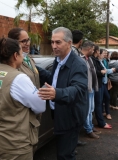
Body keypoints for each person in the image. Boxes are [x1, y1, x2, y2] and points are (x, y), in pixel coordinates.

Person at [0, 36, 46, 160]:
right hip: (14, 143)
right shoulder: (19, 78)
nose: (23, 55)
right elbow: (40, 107)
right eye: (21, 52)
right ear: (15, 56)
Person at [37, 27, 88, 160]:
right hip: (60, 114)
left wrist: (57, 93)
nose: (54, 46)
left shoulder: (78, 64)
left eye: (58, 42)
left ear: (69, 43)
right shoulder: (58, 60)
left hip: (70, 116)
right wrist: (34, 68)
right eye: (52, 42)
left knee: (65, 155)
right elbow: (54, 79)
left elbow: (78, 89)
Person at [80, 40, 100, 139]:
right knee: (87, 111)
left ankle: (90, 126)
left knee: (91, 109)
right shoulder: (80, 59)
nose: (93, 51)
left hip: (91, 88)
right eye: (92, 49)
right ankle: (88, 129)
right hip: (85, 90)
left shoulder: (89, 58)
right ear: (88, 49)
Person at [91, 45, 112, 129]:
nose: (104, 54)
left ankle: (100, 121)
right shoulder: (93, 60)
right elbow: (96, 72)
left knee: (100, 102)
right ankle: (101, 122)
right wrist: (102, 72)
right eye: (102, 52)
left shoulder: (98, 60)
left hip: (100, 83)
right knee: (98, 104)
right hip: (97, 84)